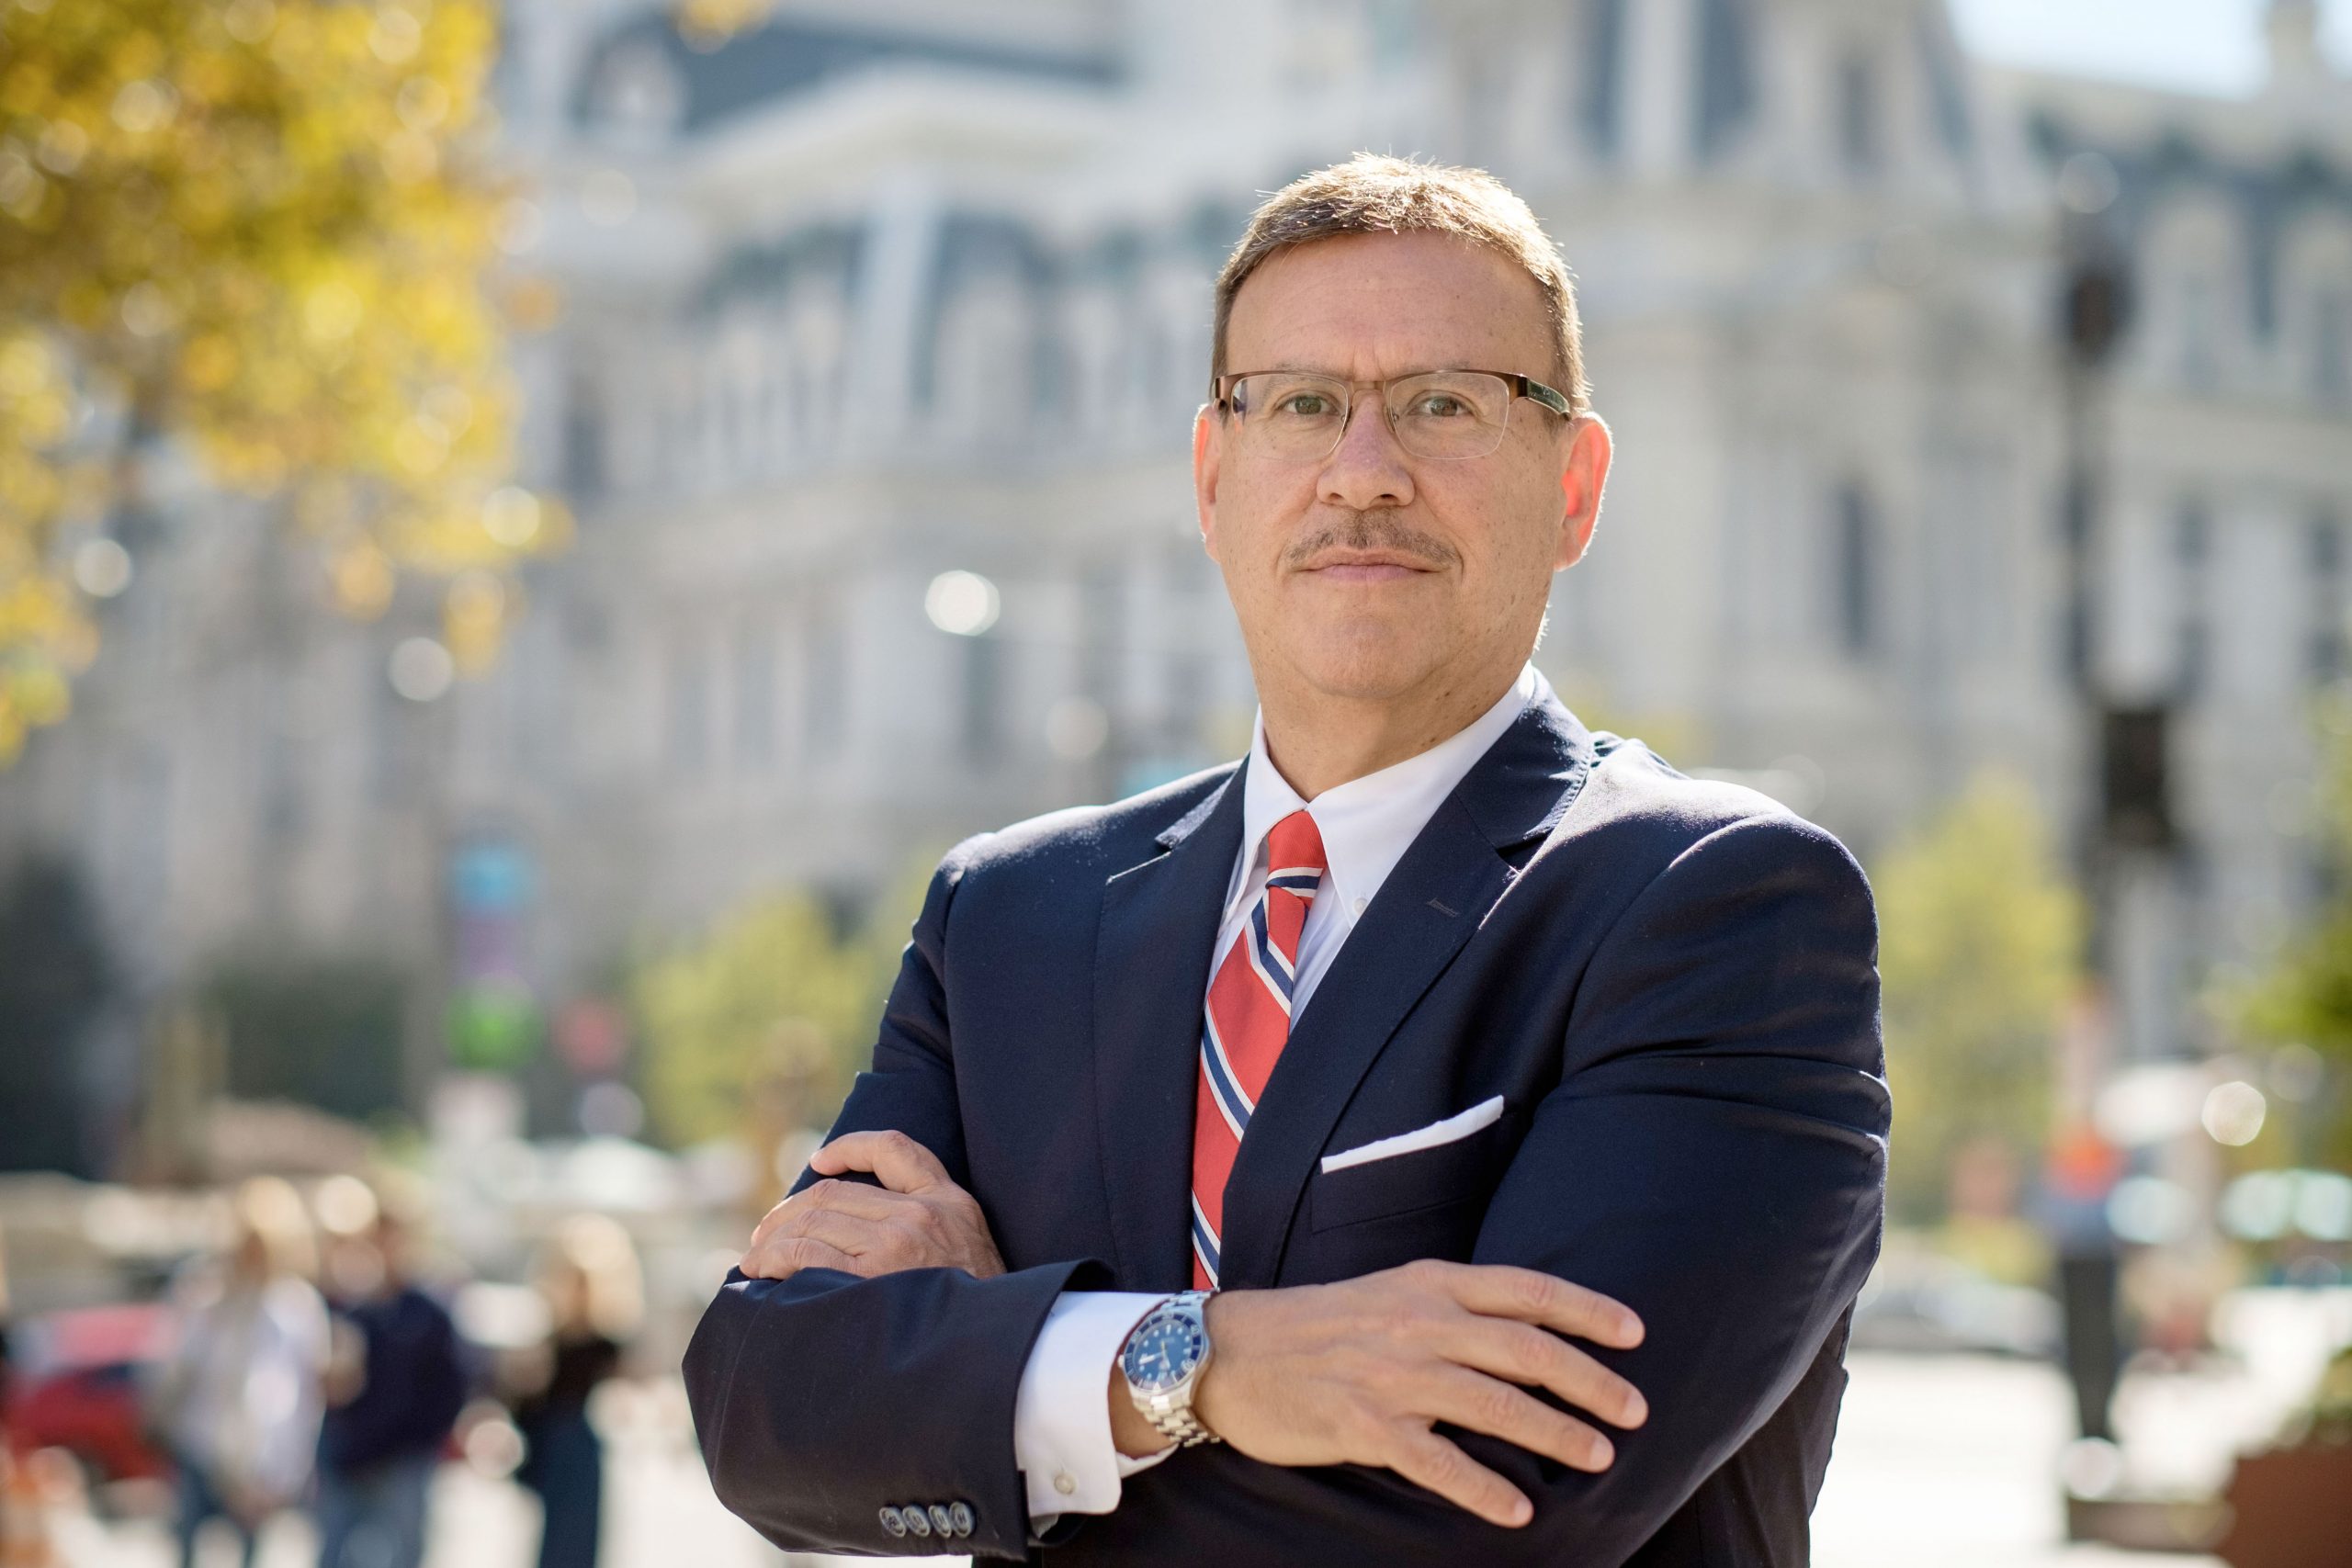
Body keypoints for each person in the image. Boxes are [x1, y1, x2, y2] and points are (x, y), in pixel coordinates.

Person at [684, 154, 1888, 1566]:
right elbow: (767, 1412)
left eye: (1446, 403)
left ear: (1574, 485)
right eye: (1302, 404)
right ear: (1213, 476)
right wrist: (1213, 1362)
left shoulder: (1720, 908)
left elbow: (1490, 1504)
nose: (1363, 472)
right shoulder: (1003, 919)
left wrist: (1005, 1364)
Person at [153, 1178, 330, 1568]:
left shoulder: (296, 1307)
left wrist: (288, 1468)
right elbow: (175, 1366)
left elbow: (301, 1397)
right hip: (202, 1445)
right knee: (187, 1546)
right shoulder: (206, 1295)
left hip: (263, 1462)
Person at [312, 1180, 467, 1568]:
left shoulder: (428, 1312)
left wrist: (419, 1439)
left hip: (405, 1460)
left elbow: (450, 1388)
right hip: (352, 1455)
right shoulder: (353, 1307)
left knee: (404, 1554)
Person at [508, 1215, 637, 1568]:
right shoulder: (548, 1339)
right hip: (550, 1442)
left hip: (582, 1443)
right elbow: (522, 1401)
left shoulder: (606, 1342)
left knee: (581, 1538)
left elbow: (628, 1394)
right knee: (555, 1540)